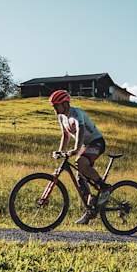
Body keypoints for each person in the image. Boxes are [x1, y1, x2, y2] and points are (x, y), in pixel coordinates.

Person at [49, 90, 112, 225]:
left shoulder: (76, 113)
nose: (54, 109)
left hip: (96, 142)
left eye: (56, 105)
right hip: (85, 144)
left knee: (80, 162)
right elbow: (65, 136)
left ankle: (104, 188)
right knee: (80, 178)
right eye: (53, 106)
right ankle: (91, 207)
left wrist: (76, 149)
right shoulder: (61, 117)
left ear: (65, 104)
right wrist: (61, 152)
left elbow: (80, 131)